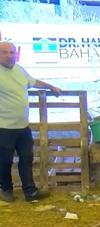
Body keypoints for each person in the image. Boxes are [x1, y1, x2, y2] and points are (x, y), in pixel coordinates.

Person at [0, 41, 60, 202]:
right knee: (5, 161)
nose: (9, 56)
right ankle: (6, 189)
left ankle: (30, 191)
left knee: (27, 158)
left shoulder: (20, 70)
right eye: (4, 52)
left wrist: (51, 87)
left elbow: (34, 82)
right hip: (4, 127)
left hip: (23, 126)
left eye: (12, 52)